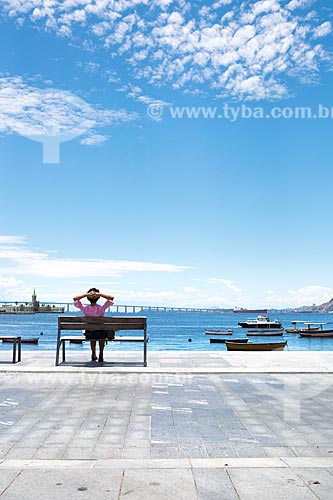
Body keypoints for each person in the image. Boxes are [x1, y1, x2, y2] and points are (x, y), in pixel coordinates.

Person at [73, 288, 114, 362]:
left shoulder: (85, 308)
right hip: (101, 333)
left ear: (88, 298)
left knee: (92, 332)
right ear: (98, 298)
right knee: (101, 333)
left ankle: (93, 354)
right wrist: (100, 294)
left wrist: (86, 294)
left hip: (89, 333)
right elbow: (111, 298)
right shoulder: (101, 308)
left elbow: (75, 299)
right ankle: (101, 354)